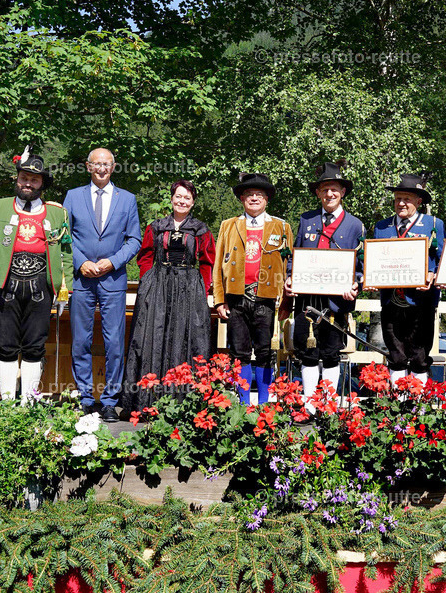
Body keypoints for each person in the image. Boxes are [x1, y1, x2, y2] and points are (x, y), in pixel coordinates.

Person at [0, 151, 73, 401]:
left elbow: (67, 254)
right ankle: (8, 404)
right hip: (5, 286)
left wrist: (65, 291)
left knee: (35, 346)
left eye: (34, 180)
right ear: (17, 179)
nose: (28, 183)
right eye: (24, 178)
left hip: (41, 287)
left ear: (42, 184)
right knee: (6, 344)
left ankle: (28, 402)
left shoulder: (57, 214)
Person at [123, 179, 216, 413]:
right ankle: (147, 400)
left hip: (188, 289)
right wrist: (147, 282)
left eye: (187, 198)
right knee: (152, 337)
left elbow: (207, 262)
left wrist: (202, 290)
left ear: (193, 202)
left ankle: (184, 402)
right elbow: (145, 256)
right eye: (178, 196)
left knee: (186, 338)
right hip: (159, 289)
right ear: (172, 198)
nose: (182, 201)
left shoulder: (200, 230)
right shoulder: (157, 226)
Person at [63, 148, 142, 421]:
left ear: (113, 166)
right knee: (81, 341)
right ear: (88, 167)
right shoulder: (73, 197)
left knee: (114, 343)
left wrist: (113, 262)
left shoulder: (127, 199)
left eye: (106, 164)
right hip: (81, 279)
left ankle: (109, 400)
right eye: (96, 164)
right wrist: (80, 261)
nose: (101, 169)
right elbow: (63, 236)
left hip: (113, 279)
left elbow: (134, 239)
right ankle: (86, 398)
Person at [284, 161, 364, 409]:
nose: (330, 194)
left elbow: (360, 266)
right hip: (307, 297)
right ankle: (308, 405)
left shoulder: (355, 224)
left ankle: (328, 406)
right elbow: (294, 256)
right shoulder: (306, 220)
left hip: (336, 300)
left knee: (330, 353)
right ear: (318, 192)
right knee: (307, 352)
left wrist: (355, 284)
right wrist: (289, 277)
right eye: (325, 189)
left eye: (335, 189)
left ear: (343, 192)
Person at [212, 173, 293, 405]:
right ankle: (244, 402)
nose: (254, 198)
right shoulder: (228, 226)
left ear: (267, 199)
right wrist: (219, 300)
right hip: (236, 298)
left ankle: (265, 403)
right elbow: (218, 265)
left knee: (266, 351)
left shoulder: (282, 226)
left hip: (266, 299)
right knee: (239, 353)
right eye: (249, 194)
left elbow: (290, 268)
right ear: (241, 199)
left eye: (259, 194)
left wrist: (287, 303)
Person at [370, 173, 445, 386]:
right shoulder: (381, 227)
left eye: (407, 199)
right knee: (395, 354)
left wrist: (434, 274)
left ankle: (417, 408)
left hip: (421, 301)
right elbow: (373, 260)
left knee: (420, 354)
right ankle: (397, 406)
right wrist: (371, 276)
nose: (401, 203)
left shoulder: (433, 224)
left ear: (419, 202)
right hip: (391, 300)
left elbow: (443, 260)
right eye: (397, 199)